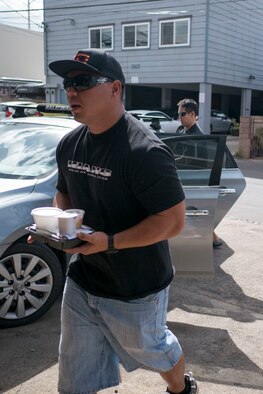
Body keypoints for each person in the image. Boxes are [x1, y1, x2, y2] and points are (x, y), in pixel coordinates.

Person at [48, 49, 199, 394]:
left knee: (156, 351)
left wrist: (111, 241)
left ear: (115, 89)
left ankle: (182, 387)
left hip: (137, 286)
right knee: (74, 375)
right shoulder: (69, 144)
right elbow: (64, 195)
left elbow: (173, 222)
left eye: (83, 82)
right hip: (83, 280)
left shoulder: (145, 151)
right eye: (68, 83)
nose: (71, 91)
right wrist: (59, 227)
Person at [177, 98, 223, 248]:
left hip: (194, 179)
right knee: (193, 211)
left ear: (191, 114)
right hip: (188, 178)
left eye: (182, 114)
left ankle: (212, 239)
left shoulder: (196, 135)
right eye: (178, 114)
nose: (179, 117)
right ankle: (212, 238)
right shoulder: (185, 131)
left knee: (194, 211)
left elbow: (186, 160)